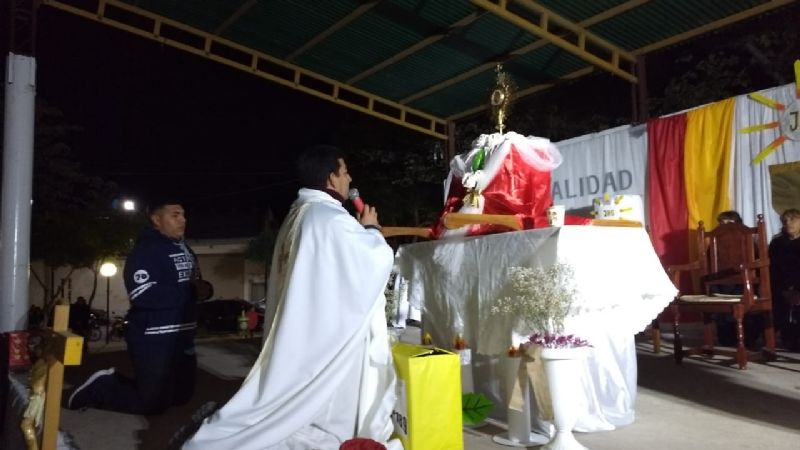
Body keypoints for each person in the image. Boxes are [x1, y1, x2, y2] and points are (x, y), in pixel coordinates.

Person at [183, 145, 399, 449]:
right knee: (321, 403)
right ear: (331, 178)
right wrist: (373, 230)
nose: (350, 178)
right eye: (345, 171)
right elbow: (372, 262)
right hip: (326, 334)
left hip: (308, 328)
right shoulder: (329, 219)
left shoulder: (302, 213)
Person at [66, 199, 200, 414]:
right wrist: (190, 293)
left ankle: (133, 388)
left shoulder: (186, 249)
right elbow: (144, 295)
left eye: (183, 215)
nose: (183, 220)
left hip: (182, 335)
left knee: (181, 397)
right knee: (153, 405)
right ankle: (102, 387)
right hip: (153, 337)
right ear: (157, 220)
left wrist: (201, 292)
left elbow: (192, 287)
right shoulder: (146, 251)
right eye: (175, 215)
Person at [768, 208, 800, 351]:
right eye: (785, 220)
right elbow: (773, 269)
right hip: (781, 287)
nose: (788, 223)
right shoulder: (777, 243)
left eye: (792, 219)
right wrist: (785, 290)